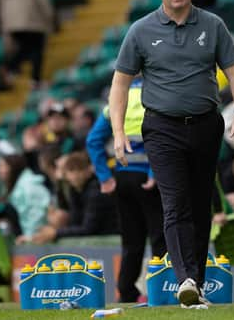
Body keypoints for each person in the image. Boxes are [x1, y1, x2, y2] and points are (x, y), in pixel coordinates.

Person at [109, 0, 234, 309]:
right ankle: (185, 278)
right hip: (161, 128)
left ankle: (195, 285)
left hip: (206, 124)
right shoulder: (140, 30)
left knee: (201, 206)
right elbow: (120, 84)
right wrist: (117, 132)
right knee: (175, 203)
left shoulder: (213, 25)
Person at [86, 78, 166, 303]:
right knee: (160, 236)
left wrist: (104, 178)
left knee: (131, 239)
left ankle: (127, 290)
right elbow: (160, 139)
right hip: (150, 179)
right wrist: (153, 172)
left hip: (122, 178)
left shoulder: (115, 99)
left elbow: (93, 140)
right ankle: (161, 288)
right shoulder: (157, 95)